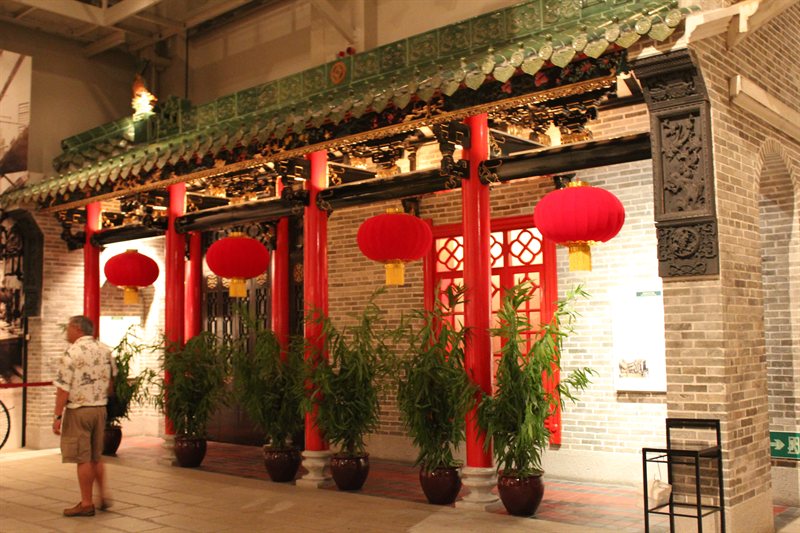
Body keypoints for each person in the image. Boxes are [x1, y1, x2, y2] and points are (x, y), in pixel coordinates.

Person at [52, 315, 115, 517]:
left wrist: (57, 416)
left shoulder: (71, 353)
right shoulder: (105, 350)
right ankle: (103, 495)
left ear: (78, 329)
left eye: (69, 328)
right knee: (96, 455)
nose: (67, 332)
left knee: (83, 458)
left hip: (79, 410)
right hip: (100, 409)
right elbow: (112, 381)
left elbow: (63, 389)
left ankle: (86, 503)